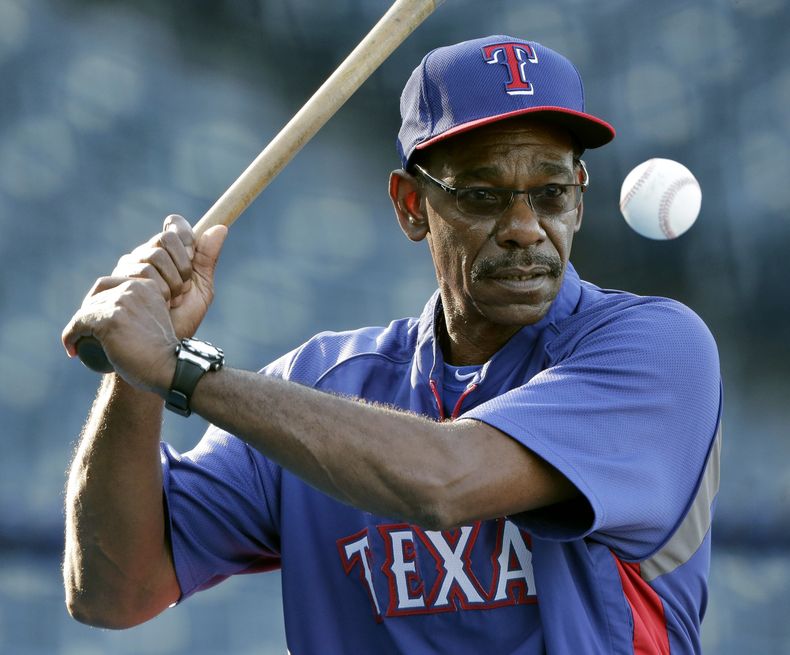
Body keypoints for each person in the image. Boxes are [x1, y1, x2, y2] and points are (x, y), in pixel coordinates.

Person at [62, 35, 721, 654]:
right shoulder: (319, 386)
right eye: (483, 194)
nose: (524, 227)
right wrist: (135, 370)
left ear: (578, 201)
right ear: (411, 205)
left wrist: (180, 371)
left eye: (549, 193)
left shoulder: (656, 350)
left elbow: (443, 479)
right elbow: (114, 590)